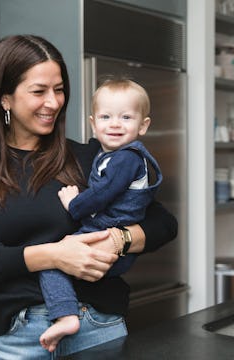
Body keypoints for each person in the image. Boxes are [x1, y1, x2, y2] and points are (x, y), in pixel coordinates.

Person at [0, 34, 177, 359]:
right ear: (4, 98)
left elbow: (163, 222)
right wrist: (53, 255)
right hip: (22, 337)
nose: (53, 102)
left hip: (99, 326)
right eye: (39, 91)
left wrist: (117, 240)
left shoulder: (90, 156)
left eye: (59, 89)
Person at [38, 78, 163, 351]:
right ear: (94, 124)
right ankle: (68, 314)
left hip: (107, 230)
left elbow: (102, 194)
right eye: (106, 117)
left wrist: (74, 204)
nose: (115, 124)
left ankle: (67, 316)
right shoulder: (112, 156)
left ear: (143, 125)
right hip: (109, 237)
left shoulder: (125, 158)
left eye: (126, 117)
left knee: (50, 262)